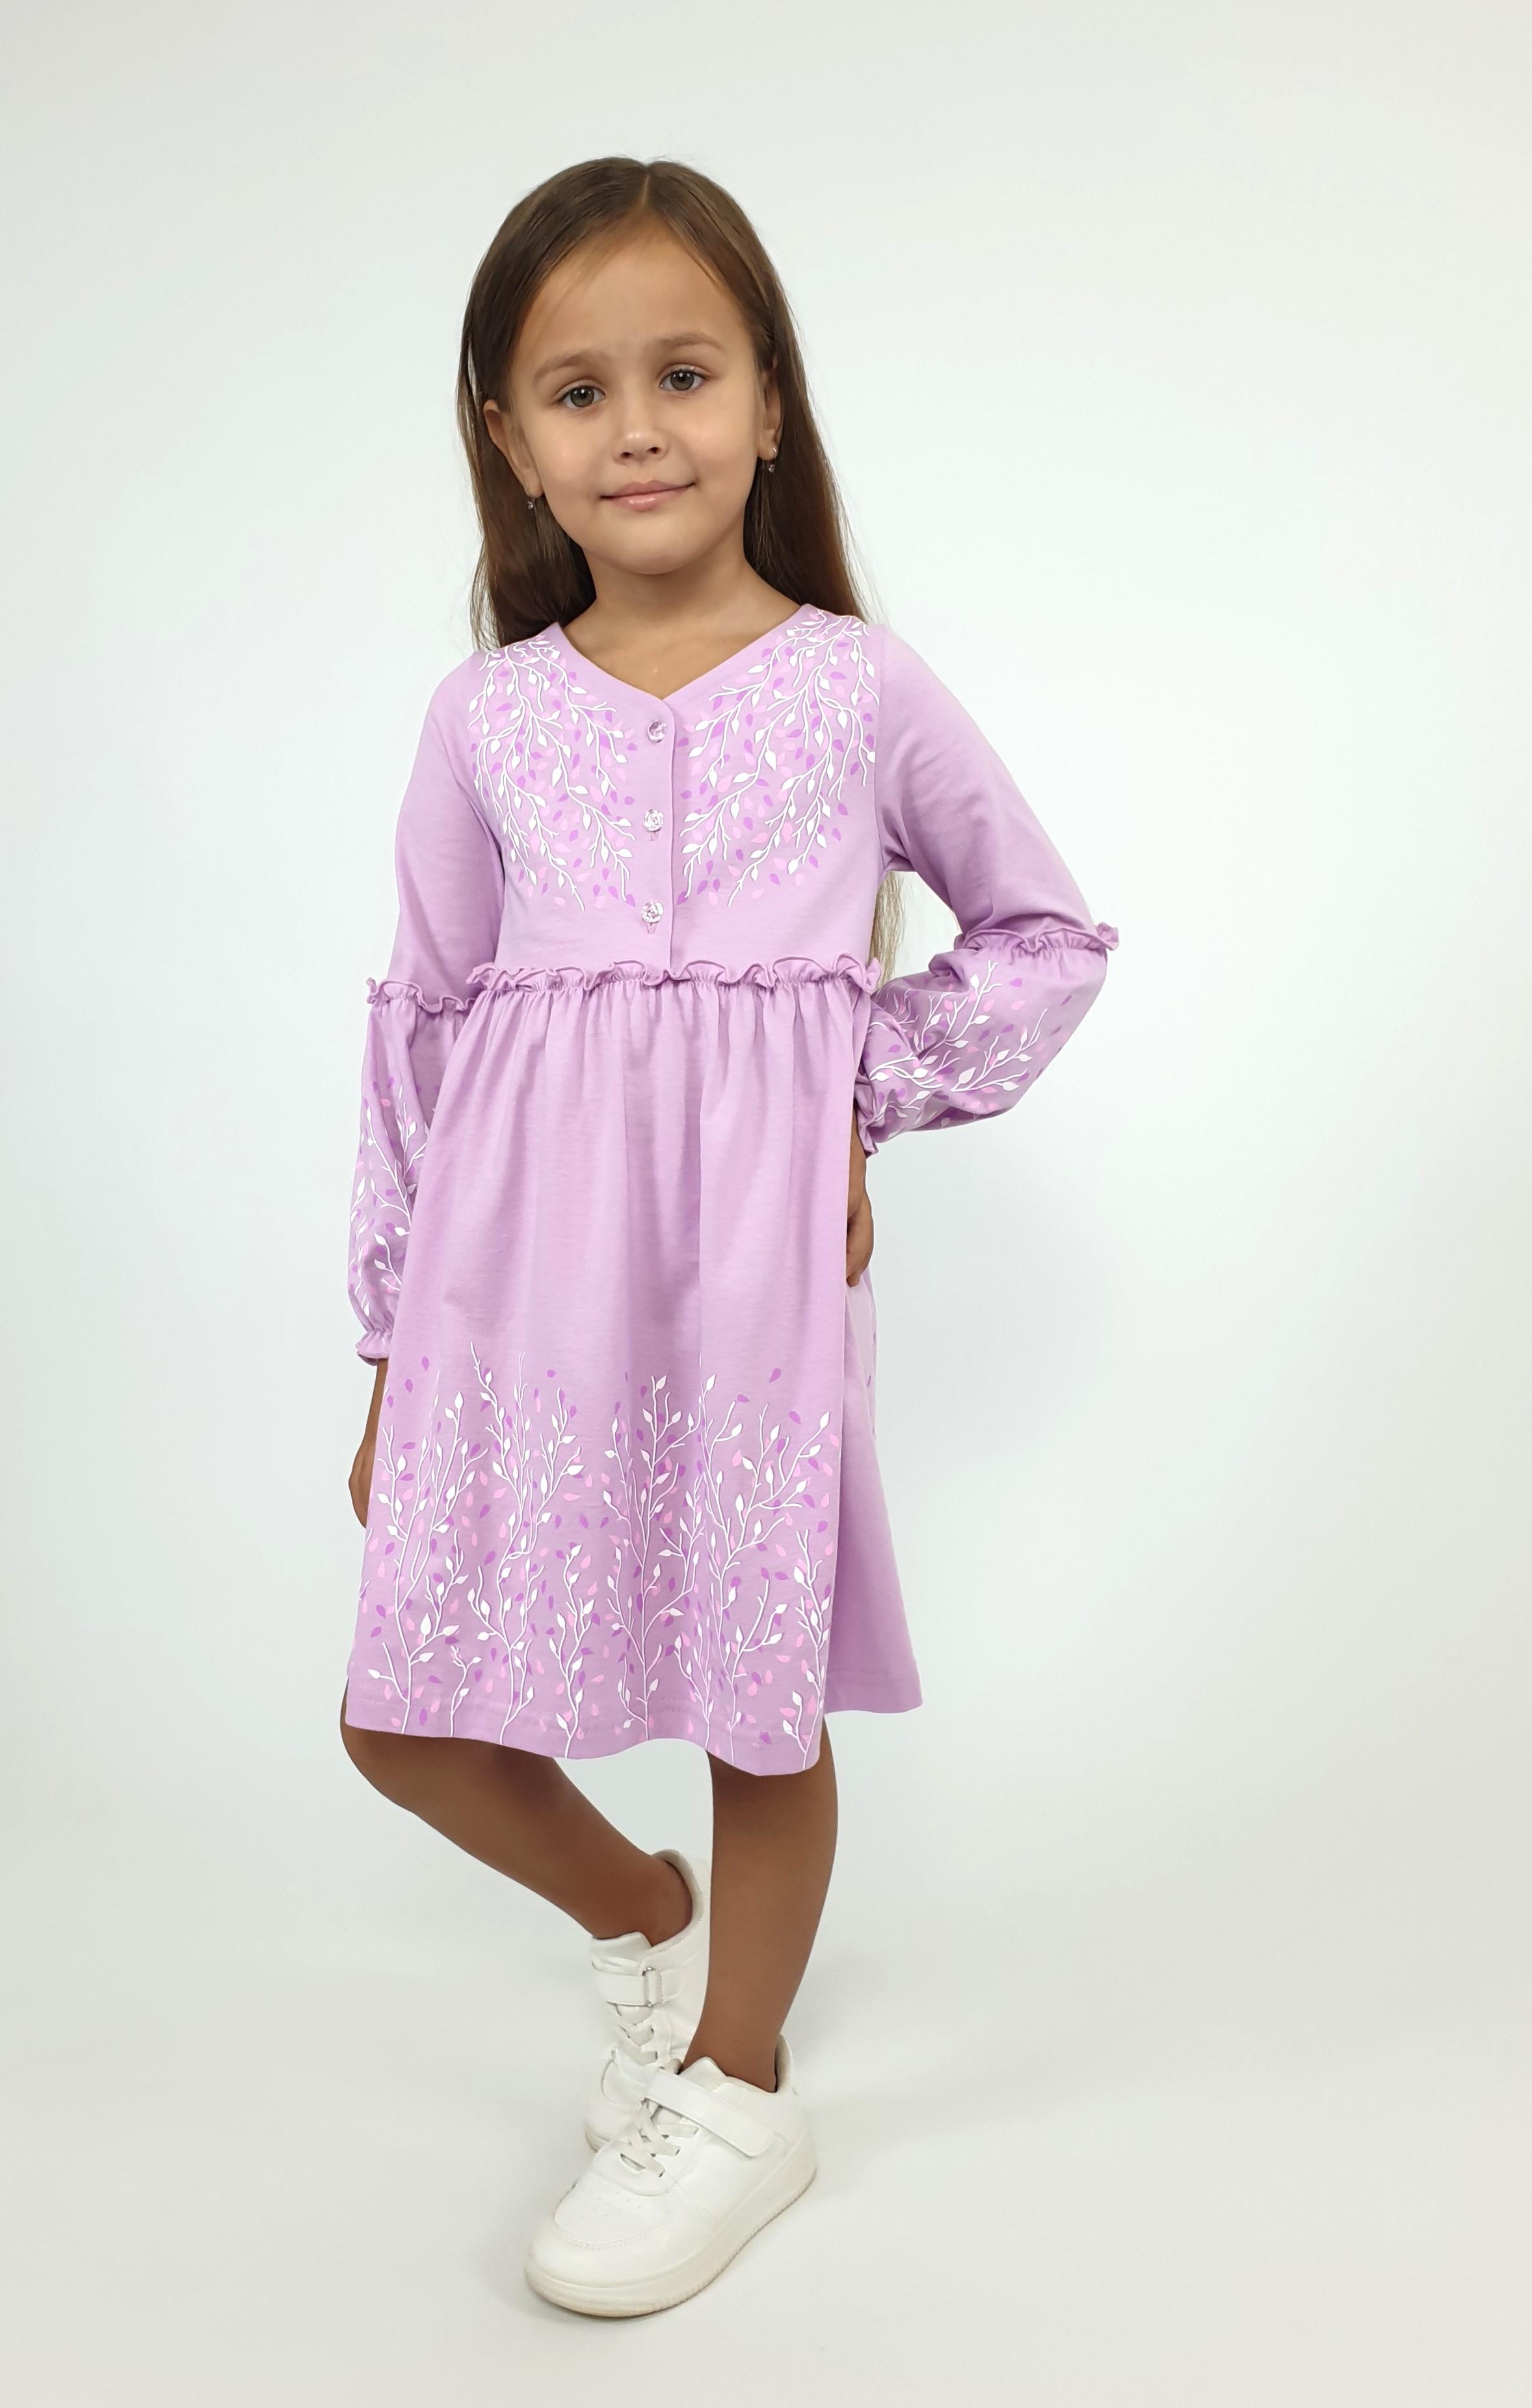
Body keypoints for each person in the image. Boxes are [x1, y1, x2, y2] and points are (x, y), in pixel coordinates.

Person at [337, 155, 1119, 2318]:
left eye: (684, 374)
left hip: (754, 1286)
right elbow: (421, 1030)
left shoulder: (860, 690)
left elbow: (1045, 937)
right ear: (509, 438)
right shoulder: (488, 717)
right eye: (576, 390)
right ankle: (648, 1915)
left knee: (754, 1687)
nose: (638, 428)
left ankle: (739, 2082)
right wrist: (390, 1350)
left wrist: (853, 1083)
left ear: (770, 400)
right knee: (402, 1715)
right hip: (506, 1283)